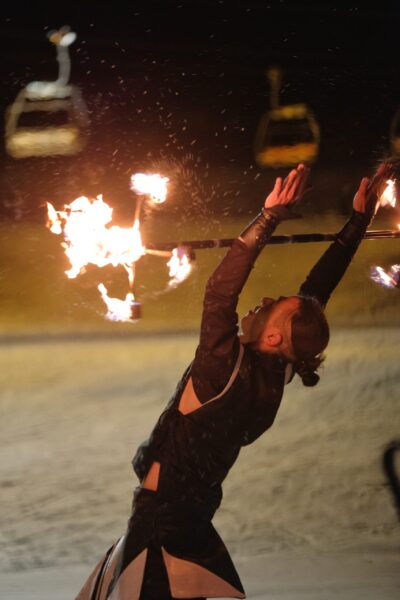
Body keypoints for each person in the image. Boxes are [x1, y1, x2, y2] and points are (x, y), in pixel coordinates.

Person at [75, 161, 392, 600]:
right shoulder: (278, 372)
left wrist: (268, 218)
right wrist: (359, 221)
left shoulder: (222, 369)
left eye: (273, 306)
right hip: (188, 520)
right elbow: (316, 291)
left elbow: (220, 293)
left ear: (275, 335)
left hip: (160, 526)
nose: (263, 301)